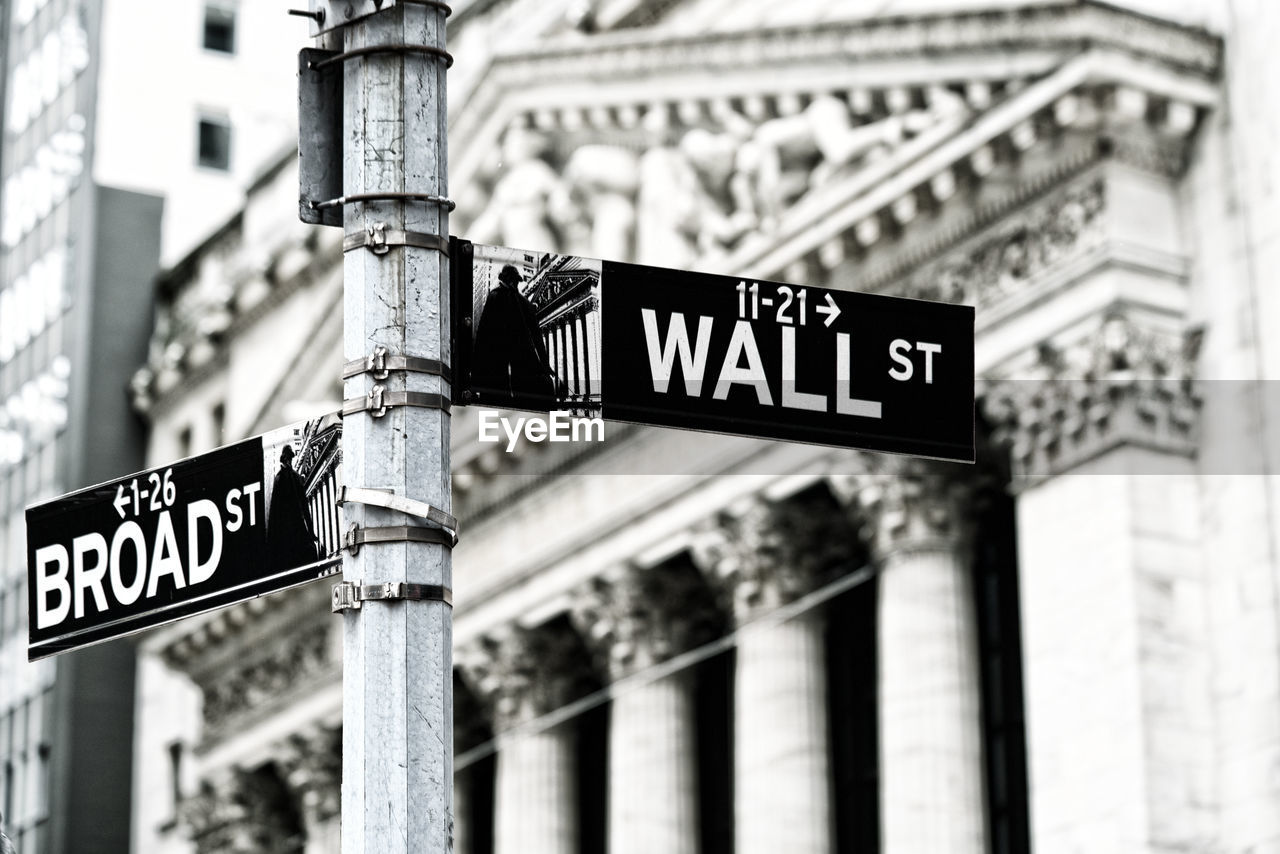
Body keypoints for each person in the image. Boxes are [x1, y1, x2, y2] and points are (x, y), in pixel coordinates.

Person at [471, 264, 560, 405]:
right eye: (516, 281)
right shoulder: (524, 303)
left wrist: (476, 375)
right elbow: (537, 337)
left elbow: (482, 336)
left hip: (499, 367)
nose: (516, 284)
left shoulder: (495, 297)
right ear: (512, 281)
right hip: (518, 365)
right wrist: (544, 364)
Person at [265, 444, 319, 570]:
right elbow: (275, 511)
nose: (289, 461)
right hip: (287, 529)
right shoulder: (281, 479)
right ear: (284, 459)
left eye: (290, 459)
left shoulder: (294, 477)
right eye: (288, 458)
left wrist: (310, 531)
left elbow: (304, 506)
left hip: (295, 527)